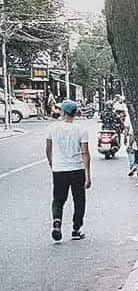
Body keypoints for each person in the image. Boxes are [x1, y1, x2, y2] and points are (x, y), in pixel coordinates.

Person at [46, 100, 91, 241]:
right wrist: (88, 175)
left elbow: (48, 148)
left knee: (58, 198)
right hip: (77, 169)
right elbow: (85, 153)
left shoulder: (52, 128)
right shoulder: (81, 130)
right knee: (79, 199)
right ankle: (76, 229)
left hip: (59, 169)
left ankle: (57, 221)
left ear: (63, 112)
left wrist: (52, 162)